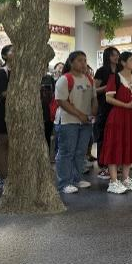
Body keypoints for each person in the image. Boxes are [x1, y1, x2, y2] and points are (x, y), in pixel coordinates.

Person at [54, 51, 98, 194]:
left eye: (85, 60)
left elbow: (94, 98)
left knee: (80, 152)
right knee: (67, 152)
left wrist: (93, 111)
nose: (83, 63)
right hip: (68, 121)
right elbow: (61, 101)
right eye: (79, 60)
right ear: (71, 62)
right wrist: (80, 115)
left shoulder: (89, 79)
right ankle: (64, 183)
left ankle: (76, 179)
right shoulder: (65, 79)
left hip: (85, 122)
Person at [100, 51, 132, 194]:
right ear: (123, 62)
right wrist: (126, 105)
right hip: (118, 116)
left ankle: (125, 178)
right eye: (131, 59)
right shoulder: (115, 77)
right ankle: (113, 181)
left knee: (129, 145)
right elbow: (108, 98)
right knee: (115, 145)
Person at [93, 47, 120, 179]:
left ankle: (114, 164)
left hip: (118, 107)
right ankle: (103, 165)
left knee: (115, 137)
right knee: (103, 137)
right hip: (104, 108)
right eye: (113, 55)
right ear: (108, 56)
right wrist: (107, 88)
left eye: (117, 55)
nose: (116, 57)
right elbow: (94, 90)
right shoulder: (102, 71)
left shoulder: (120, 71)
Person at [0, 45, 13, 189]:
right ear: (5, 56)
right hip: (3, 111)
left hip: (15, 113)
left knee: (12, 145)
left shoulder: (20, 72)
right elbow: (2, 92)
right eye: (13, 51)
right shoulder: (2, 72)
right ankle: (3, 177)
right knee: (3, 142)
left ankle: (10, 176)